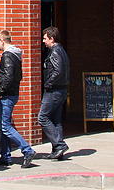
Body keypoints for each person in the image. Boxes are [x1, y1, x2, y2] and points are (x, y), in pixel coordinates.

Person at [0, 29, 36, 168]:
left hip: (7, 94)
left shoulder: (7, 55)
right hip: (12, 93)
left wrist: (0, 90)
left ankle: (27, 150)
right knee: (3, 125)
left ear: (2, 40)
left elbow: (9, 76)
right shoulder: (16, 55)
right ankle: (5, 156)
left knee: (5, 126)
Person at [38, 26, 70, 160]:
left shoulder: (55, 51)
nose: (43, 41)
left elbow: (58, 71)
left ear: (52, 38)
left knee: (43, 117)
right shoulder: (60, 50)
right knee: (56, 120)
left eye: (45, 38)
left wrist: (48, 84)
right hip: (60, 89)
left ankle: (59, 144)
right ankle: (57, 150)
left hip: (54, 90)